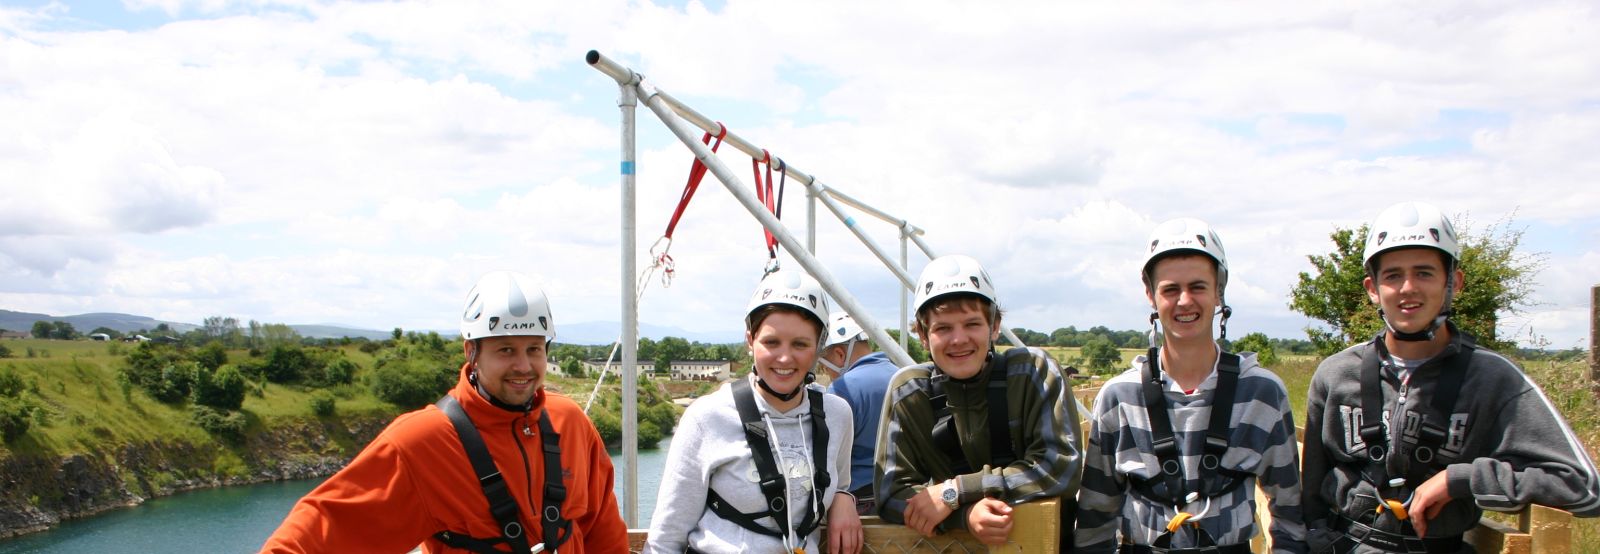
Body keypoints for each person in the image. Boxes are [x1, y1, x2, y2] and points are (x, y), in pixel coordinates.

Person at [1302, 202, 1600, 553]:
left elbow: (1584, 488)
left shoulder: (1494, 379)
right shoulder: (1336, 375)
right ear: (1373, 288)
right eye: (1393, 275)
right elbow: (1308, 497)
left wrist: (1461, 479)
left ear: (1453, 283)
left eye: (1424, 273)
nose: (1408, 287)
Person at [262, 270, 627, 553]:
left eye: (534, 349)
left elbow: (603, 531)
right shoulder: (425, 441)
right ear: (472, 352)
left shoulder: (569, 423)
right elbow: (326, 524)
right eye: (505, 350)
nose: (523, 365)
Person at [1075, 218, 1307, 554]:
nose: (1185, 301)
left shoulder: (1261, 393)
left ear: (1218, 291)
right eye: (1170, 289)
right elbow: (1095, 518)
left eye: (1198, 287)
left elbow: (1290, 512)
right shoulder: (1120, 398)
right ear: (1151, 296)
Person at [645, 268, 863, 554]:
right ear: (750, 340)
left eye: (800, 344)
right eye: (771, 342)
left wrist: (843, 496)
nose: (785, 357)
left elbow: (839, 480)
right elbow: (666, 538)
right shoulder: (708, 418)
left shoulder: (836, 416)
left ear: (818, 346)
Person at [875, 254, 1081, 547]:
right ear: (923, 334)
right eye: (943, 328)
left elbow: (1061, 466)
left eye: (972, 324)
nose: (959, 339)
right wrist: (965, 517)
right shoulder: (909, 392)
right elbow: (891, 494)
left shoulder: (1032, 373)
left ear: (994, 326)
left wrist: (957, 490)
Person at [820, 311, 900, 515]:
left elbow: (828, 457)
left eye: (825, 367)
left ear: (839, 354)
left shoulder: (842, 388)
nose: (828, 374)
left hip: (857, 502)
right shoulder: (901, 376)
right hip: (899, 496)